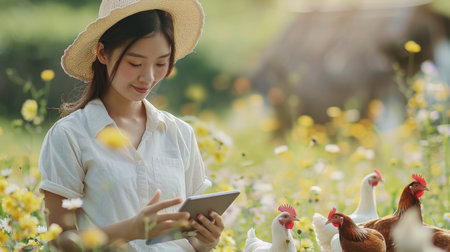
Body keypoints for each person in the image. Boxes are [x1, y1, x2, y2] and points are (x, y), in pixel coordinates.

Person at [38, 0, 224, 251]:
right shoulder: (70, 136)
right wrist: (131, 230)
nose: (148, 77)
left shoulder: (179, 133)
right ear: (102, 53)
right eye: (135, 63)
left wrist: (207, 239)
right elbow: (59, 241)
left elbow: (192, 238)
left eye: (160, 64)